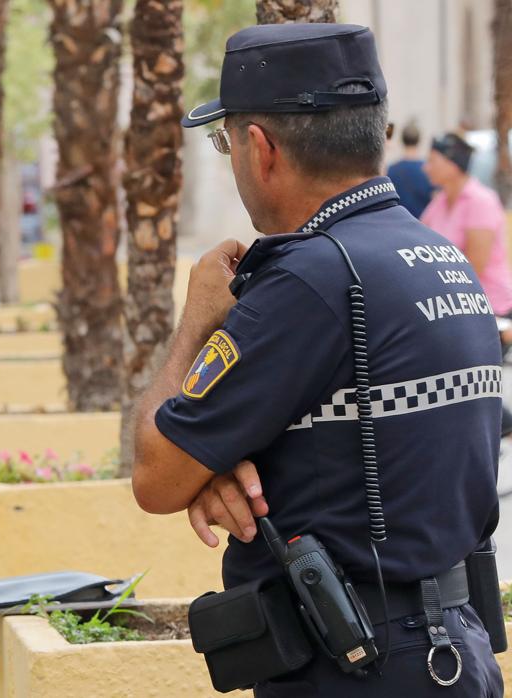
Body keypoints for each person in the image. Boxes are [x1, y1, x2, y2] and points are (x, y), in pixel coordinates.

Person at [133, 23, 502, 696]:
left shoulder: (310, 280)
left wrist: (195, 323)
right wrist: (216, 461)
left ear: (260, 147)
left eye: (224, 142)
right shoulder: (439, 259)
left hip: (358, 667)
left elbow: (156, 475)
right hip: (453, 654)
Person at [422, 133, 512, 329]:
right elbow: (417, 241)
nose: (425, 167)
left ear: (452, 165)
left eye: (431, 161)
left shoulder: (481, 202)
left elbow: (473, 269)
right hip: (454, 305)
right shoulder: (440, 201)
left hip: (489, 309)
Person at [386, 121, 433, 218]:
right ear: (419, 140)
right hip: (423, 226)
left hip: (399, 224)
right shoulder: (429, 170)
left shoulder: (391, 170)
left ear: (402, 140)